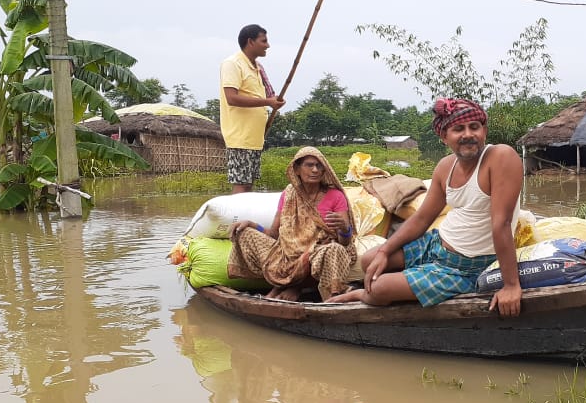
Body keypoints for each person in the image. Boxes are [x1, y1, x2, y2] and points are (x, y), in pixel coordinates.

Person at [327, 98, 524, 317]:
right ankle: (409, 279)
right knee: (369, 260)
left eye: (474, 127)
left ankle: (361, 295)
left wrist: (511, 285)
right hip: (437, 244)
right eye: (458, 129)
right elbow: (421, 219)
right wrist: (384, 251)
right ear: (444, 137)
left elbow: (502, 223)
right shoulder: (446, 167)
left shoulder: (500, 157)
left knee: (378, 288)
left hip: (467, 266)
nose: (468, 134)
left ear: (484, 130)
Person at [227, 147, 356, 301]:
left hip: (319, 253)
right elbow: (275, 234)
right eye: (309, 165)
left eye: (319, 166)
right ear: (297, 169)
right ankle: (287, 286)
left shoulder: (335, 196)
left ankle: (325, 296)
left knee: (334, 250)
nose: (315, 170)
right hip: (287, 255)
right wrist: (252, 225)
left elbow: (345, 242)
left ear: (324, 170)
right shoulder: (289, 194)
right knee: (244, 233)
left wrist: (344, 228)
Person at [220, 24, 286, 194]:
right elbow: (231, 98)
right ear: (250, 42)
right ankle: (237, 220)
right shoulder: (233, 64)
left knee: (248, 185)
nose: (267, 45)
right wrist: (267, 102)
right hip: (240, 137)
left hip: (254, 138)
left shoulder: (258, 68)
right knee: (241, 184)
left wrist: (273, 101)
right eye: (264, 41)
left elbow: (264, 97)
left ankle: (245, 220)